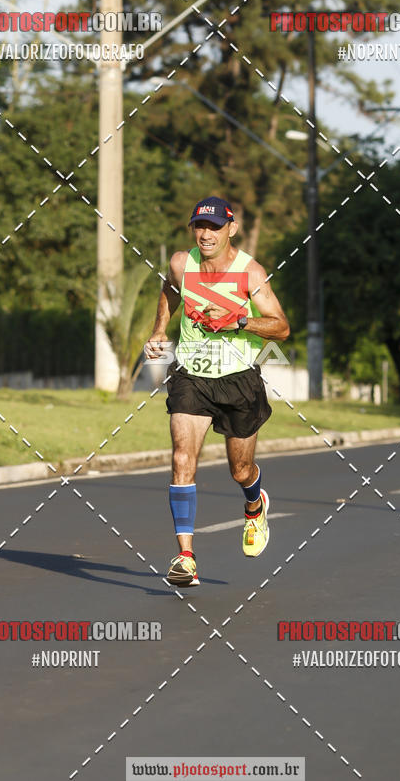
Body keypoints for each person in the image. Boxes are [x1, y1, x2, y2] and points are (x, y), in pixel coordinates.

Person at [144, 196, 290, 587]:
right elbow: (170, 291)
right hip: (192, 374)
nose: (205, 234)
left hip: (239, 379)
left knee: (239, 469)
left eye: (214, 227)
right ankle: (185, 557)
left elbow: (280, 327)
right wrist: (160, 329)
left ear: (231, 229)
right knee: (181, 457)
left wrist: (239, 320)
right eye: (199, 226)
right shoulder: (182, 263)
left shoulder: (250, 273)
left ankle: (255, 504)